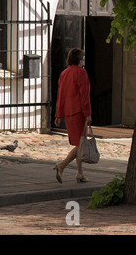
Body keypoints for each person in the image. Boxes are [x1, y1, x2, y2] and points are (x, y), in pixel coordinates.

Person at [54, 48, 92, 183]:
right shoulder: (81, 73)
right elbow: (84, 96)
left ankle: (80, 173)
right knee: (80, 144)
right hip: (78, 112)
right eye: (82, 58)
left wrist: (59, 114)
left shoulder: (64, 73)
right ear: (78, 59)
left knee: (78, 143)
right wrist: (88, 114)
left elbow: (61, 95)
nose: (83, 61)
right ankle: (62, 165)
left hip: (68, 113)